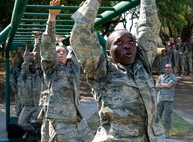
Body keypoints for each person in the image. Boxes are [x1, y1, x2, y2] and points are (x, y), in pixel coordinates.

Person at [70, 0, 165, 141]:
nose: (127, 46)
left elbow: (149, 27)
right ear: (108, 53)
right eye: (119, 42)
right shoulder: (101, 71)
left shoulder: (142, 65)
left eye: (131, 41)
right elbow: (81, 32)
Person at [40, 0, 93, 141]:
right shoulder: (51, 68)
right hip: (60, 119)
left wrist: (83, 15)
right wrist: (51, 19)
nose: (61, 53)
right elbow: (47, 48)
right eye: (57, 52)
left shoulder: (72, 66)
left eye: (63, 51)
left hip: (77, 117)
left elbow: (76, 42)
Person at [18, 40, 43, 137]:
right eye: (30, 65)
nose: (32, 66)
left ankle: (39, 133)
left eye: (33, 65)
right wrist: (27, 49)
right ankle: (32, 131)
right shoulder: (25, 75)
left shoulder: (39, 74)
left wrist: (36, 42)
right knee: (21, 123)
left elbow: (38, 59)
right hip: (27, 105)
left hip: (38, 104)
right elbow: (25, 64)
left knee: (39, 121)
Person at [155, 63, 177, 137]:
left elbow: (169, 86)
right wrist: (164, 84)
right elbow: (156, 85)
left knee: (167, 116)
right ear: (164, 68)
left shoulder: (173, 77)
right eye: (166, 67)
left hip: (168, 100)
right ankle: (155, 130)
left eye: (169, 67)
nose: (167, 69)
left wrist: (161, 84)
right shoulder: (161, 76)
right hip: (160, 99)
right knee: (157, 115)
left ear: (171, 69)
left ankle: (167, 132)